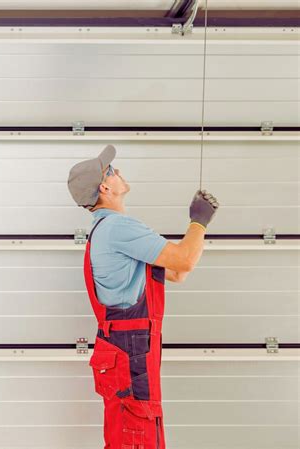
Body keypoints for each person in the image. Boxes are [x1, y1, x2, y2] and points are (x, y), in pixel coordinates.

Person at [67, 144, 219, 449]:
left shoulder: (106, 230)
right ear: (105, 187)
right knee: (137, 433)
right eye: (112, 170)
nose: (119, 171)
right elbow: (184, 261)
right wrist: (198, 222)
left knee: (130, 431)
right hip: (131, 349)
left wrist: (197, 230)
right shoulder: (119, 227)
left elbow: (177, 272)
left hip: (124, 347)